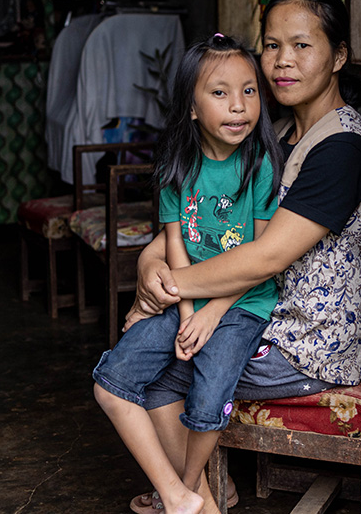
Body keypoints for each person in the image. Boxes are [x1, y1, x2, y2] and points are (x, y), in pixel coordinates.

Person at [124, 0, 361, 514]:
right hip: (263, 311)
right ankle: (204, 492)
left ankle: (197, 497)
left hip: (311, 341)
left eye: (302, 45)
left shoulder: (342, 149)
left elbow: (266, 256)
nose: (282, 62)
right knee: (154, 340)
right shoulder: (279, 133)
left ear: (338, 57)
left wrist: (168, 293)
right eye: (271, 45)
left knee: (146, 369)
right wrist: (150, 262)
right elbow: (207, 216)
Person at [92, 33, 284, 514]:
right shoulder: (176, 166)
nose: (238, 106)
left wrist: (212, 312)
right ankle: (179, 497)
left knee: (208, 395)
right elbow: (175, 243)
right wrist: (185, 311)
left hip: (242, 302)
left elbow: (259, 255)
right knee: (109, 382)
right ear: (192, 108)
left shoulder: (258, 165)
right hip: (191, 295)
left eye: (249, 90)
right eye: (220, 93)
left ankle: (191, 485)